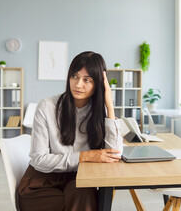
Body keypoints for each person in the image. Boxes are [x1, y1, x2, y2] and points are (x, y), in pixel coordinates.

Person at [18, 51, 123, 211]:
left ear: (99, 84)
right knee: (88, 202)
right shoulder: (47, 107)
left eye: (87, 80)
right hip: (41, 183)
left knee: (85, 195)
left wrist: (110, 106)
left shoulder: (100, 113)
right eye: (74, 76)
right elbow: (39, 159)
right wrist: (85, 156)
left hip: (79, 180)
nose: (78, 84)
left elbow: (114, 154)